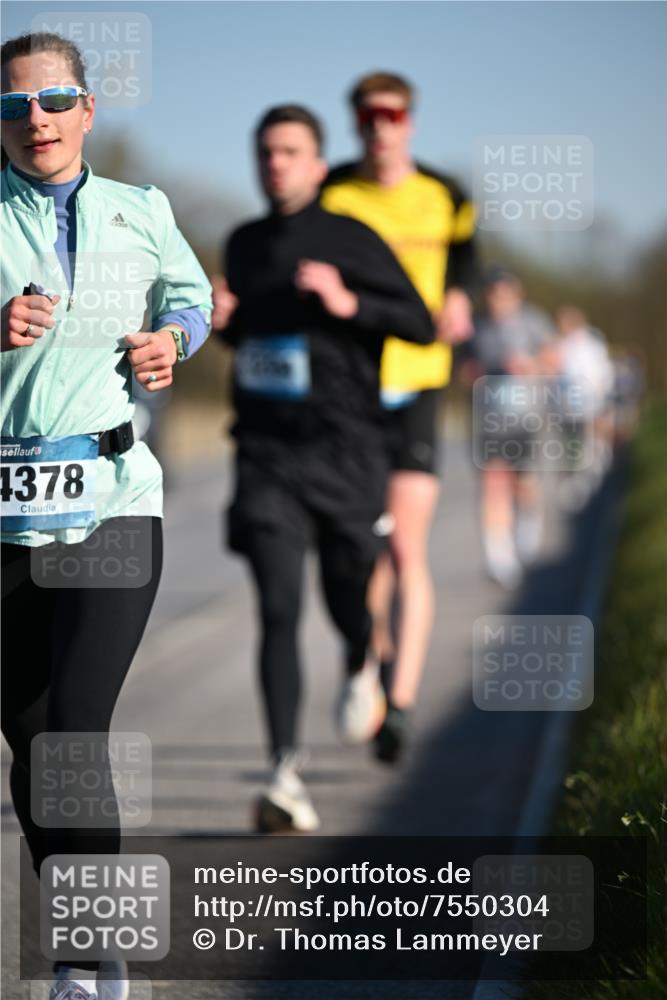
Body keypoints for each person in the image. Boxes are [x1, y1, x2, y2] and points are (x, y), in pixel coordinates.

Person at [1, 32, 212, 1000]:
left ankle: (89, 960)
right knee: (36, 743)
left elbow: (191, 294)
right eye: (13, 107)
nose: (33, 121)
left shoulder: (140, 208)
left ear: (88, 109)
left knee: (78, 726)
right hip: (6, 516)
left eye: (53, 101)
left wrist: (172, 338)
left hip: (116, 500)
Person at [212, 104, 434, 832]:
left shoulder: (350, 237)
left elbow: (419, 324)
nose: (274, 163)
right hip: (266, 453)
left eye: (289, 152)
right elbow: (253, 342)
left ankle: (360, 658)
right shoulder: (243, 243)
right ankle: (282, 775)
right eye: (264, 152)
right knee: (277, 606)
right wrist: (224, 322)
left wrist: (348, 300)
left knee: (347, 592)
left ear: (316, 163)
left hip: (346, 451)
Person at [321, 71, 479, 762]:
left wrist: (462, 300)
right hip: (349, 391)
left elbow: (468, 263)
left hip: (416, 384)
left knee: (406, 546)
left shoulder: (445, 195)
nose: (379, 127)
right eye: (366, 117)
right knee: (365, 554)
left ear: (409, 121)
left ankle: (402, 703)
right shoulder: (332, 193)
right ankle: (375, 669)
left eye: (391, 115)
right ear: (354, 124)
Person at [466, 268, 555, 588]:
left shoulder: (534, 321)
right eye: (493, 294)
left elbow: (553, 361)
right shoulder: (476, 327)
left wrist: (530, 366)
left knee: (523, 483)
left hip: (526, 417)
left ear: (517, 295)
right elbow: (464, 369)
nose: (498, 301)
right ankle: (498, 556)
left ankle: (528, 520)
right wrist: (480, 373)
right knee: (492, 482)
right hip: (488, 418)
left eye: (505, 294)